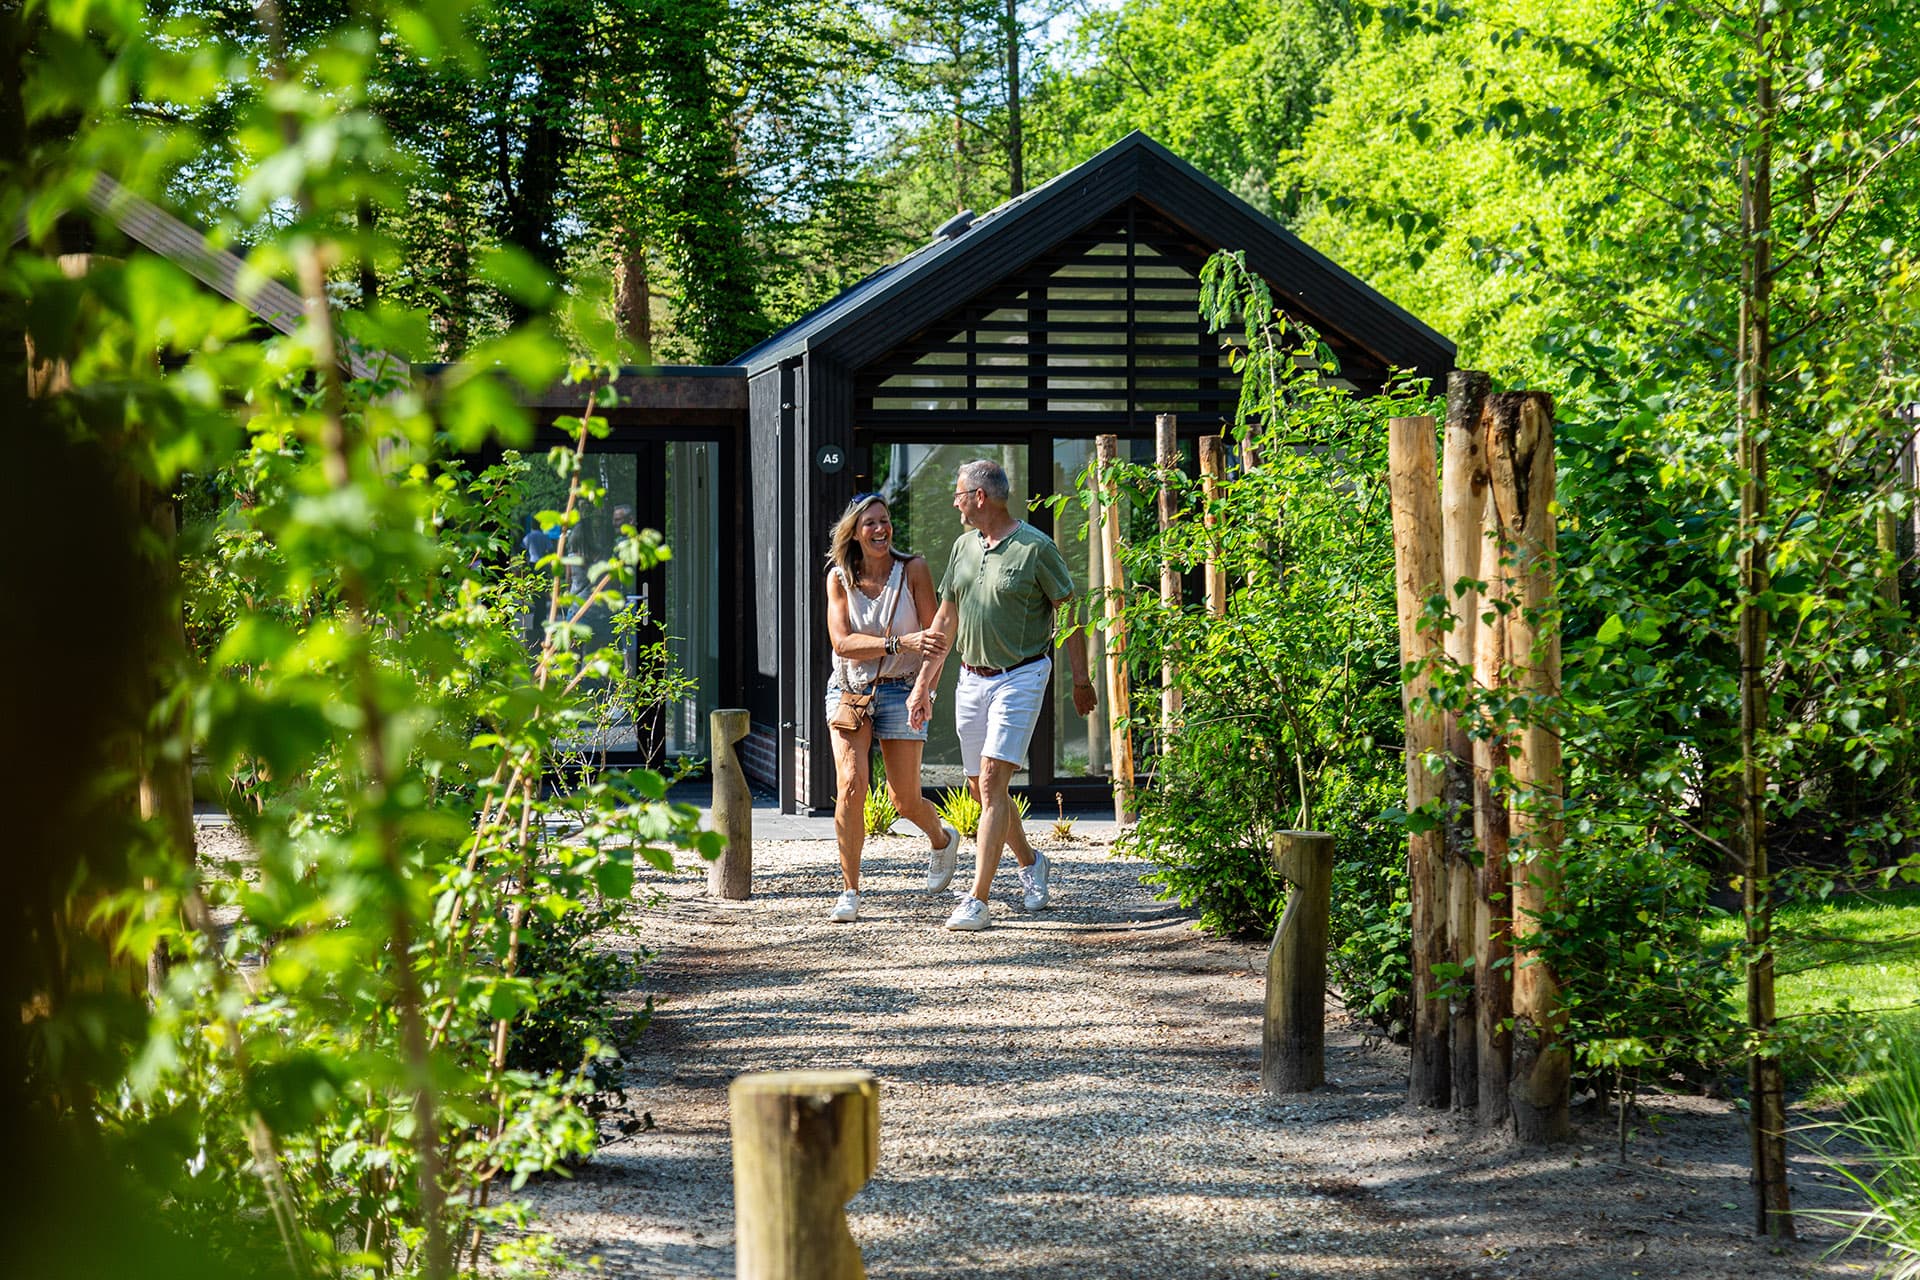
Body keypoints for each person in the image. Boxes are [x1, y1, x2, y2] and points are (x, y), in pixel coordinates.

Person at [908, 460, 1097, 932]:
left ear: (980, 497)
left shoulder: (1036, 548)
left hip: (1022, 674)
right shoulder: (963, 547)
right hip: (972, 678)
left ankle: (977, 899)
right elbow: (944, 622)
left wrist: (1080, 679)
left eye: (958, 493)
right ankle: (1032, 862)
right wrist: (924, 684)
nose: (954, 501)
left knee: (992, 780)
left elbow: (1070, 613)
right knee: (979, 787)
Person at [824, 493, 963, 923]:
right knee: (851, 784)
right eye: (871, 523)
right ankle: (849, 890)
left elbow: (936, 643)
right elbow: (842, 642)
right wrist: (898, 643)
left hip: (902, 689)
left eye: (885, 521)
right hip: (850, 689)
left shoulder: (914, 570)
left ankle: (941, 839)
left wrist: (927, 692)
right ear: (854, 531)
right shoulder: (838, 578)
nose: (881, 529)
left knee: (904, 800)